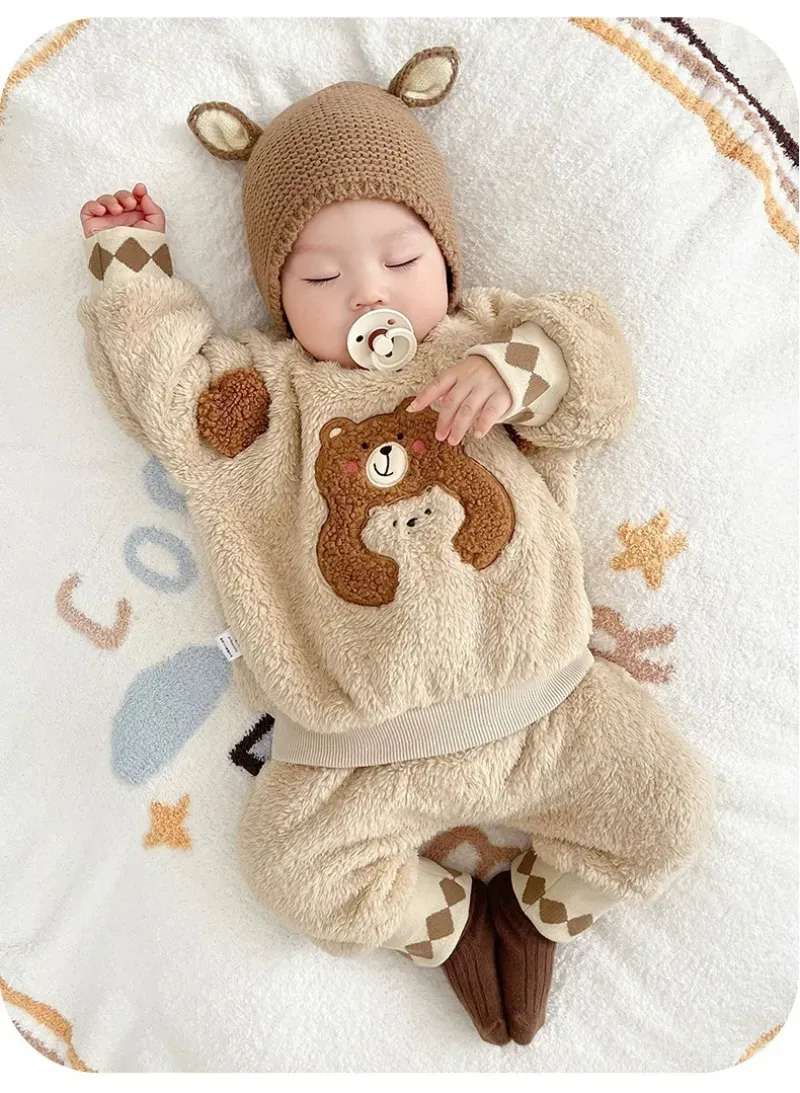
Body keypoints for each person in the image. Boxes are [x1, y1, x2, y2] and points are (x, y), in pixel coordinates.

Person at [76, 45, 715, 1047]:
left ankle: (535, 909)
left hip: (547, 706)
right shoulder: (266, 401)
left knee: (667, 808)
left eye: (402, 259)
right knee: (287, 866)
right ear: (278, 295)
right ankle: (445, 922)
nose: (366, 293)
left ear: (445, 258)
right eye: (322, 275)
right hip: (359, 755)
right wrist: (132, 269)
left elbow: (598, 377)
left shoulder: (482, 340)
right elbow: (165, 393)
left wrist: (522, 370)